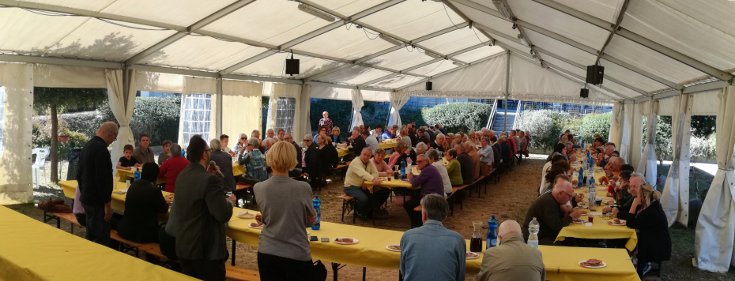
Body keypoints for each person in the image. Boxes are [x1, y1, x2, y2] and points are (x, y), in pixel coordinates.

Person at [171, 135, 235, 281]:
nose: (210, 152)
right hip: (205, 250)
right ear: (204, 154)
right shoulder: (209, 180)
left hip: (184, 244)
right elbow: (223, 214)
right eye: (209, 150)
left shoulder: (182, 175)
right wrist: (230, 202)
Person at [254, 141, 317, 279]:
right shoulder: (303, 188)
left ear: (270, 158)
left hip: (267, 251)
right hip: (296, 252)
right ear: (292, 159)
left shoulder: (259, 188)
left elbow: (270, 215)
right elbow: (310, 221)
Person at [400, 194, 465, 281]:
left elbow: (404, 272)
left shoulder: (408, 236)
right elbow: (460, 276)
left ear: (424, 215)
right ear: (445, 216)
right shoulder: (457, 240)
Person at [620, 175, 671, 277]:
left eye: (635, 187)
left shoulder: (651, 210)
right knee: (625, 241)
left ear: (643, 195)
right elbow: (633, 220)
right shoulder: (649, 204)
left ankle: (641, 268)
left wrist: (634, 205)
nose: (632, 191)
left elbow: (630, 223)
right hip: (650, 239)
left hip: (656, 247)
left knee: (625, 243)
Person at [78, 121, 118, 245]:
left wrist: (83, 190)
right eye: (114, 138)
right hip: (97, 201)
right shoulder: (102, 150)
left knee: (91, 232)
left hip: (86, 196)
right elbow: (104, 180)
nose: (112, 141)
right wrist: (107, 205)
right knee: (100, 238)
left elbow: (79, 174)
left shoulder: (87, 146)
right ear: (110, 135)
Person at [522, 175, 584, 244]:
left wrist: (567, 212)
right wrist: (571, 216)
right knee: (568, 243)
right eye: (569, 196)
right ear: (560, 193)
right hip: (535, 238)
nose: (570, 199)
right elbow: (557, 226)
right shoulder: (548, 202)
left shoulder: (552, 196)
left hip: (543, 234)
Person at [475, 220, 545, 281]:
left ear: (500, 237)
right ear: (521, 235)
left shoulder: (491, 253)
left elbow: (481, 279)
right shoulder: (536, 253)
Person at [118, 163, 168, 243]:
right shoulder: (154, 190)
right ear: (156, 176)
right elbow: (164, 210)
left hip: (125, 230)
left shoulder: (133, 185)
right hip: (143, 234)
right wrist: (165, 202)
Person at [405, 154, 445, 228]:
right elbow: (419, 179)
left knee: (408, 204)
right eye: (417, 162)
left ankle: (416, 225)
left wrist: (410, 177)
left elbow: (414, 183)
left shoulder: (427, 170)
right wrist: (414, 177)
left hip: (432, 199)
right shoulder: (430, 168)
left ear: (426, 162)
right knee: (413, 198)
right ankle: (418, 222)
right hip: (436, 196)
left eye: (420, 161)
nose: (417, 163)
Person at [343, 148, 383, 218]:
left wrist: (365, 181)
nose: (366, 157)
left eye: (368, 155)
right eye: (364, 154)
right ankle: (358, 211)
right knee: (364, 198)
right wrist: (373, 179)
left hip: (361, 187)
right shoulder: (355, 162)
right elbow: (362, 173)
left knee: (374, 197)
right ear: (360, 154)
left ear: (370, 156)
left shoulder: (369, 162)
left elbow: (375, 173)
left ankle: (368, 212)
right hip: (350, 187)